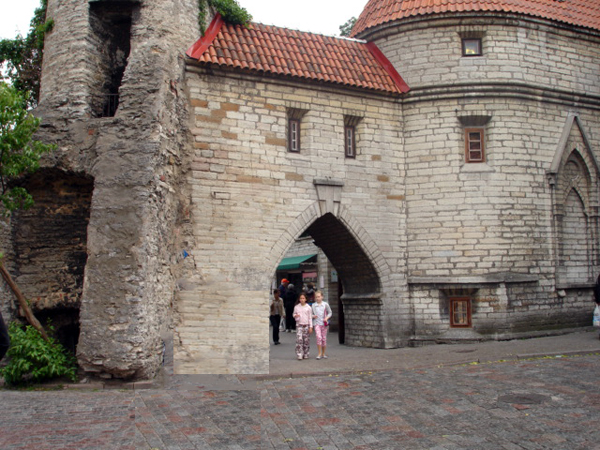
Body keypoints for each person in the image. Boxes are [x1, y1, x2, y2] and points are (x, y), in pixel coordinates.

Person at [311, 290, 332, 360]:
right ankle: (319, 353)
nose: (318, 298)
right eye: (316, 297)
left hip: (324, 324)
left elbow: (330, 312)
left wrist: (326, 318)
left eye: (319, 297)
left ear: (322, 297)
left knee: (324, 339)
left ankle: (323, 353)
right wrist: (313, 316)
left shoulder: (325, 304)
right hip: (317, 323)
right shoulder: (313, 305)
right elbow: (310, 314)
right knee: (318, 337)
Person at [293, 293, 313, 360]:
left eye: (303, 298)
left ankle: (306, 353)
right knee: (299, 340)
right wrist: (295, 315)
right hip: (299, 325)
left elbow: (310, 317)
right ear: (299, 299)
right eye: (301, 298)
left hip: (306, 325)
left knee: (306, 340)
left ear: (306, 299)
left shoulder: (308, 307)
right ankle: (299, 354)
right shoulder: (296, 307)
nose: (302, 300)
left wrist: (311, 327)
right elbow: (294, 314)